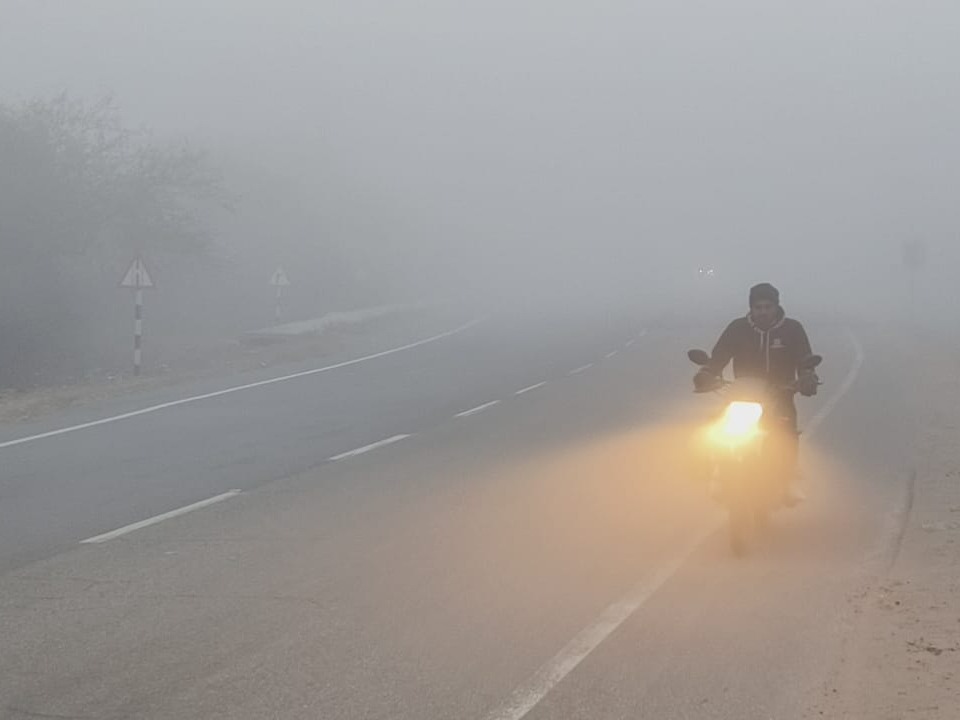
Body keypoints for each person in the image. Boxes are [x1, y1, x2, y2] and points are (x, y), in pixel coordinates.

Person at [693, 282, 820, 505]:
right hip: (742, 395)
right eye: (758, 307)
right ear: (751, 308)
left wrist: (807, 378)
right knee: (713, 427)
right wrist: (706, 373)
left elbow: (804, 359)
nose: (762, 311)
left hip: (780, 396)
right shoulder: (737, 328)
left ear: (776, 307)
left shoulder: (792, 329)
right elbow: (719, 356)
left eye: (767, 307)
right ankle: (713, 472)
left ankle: (786, 480)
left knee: (787, 434)